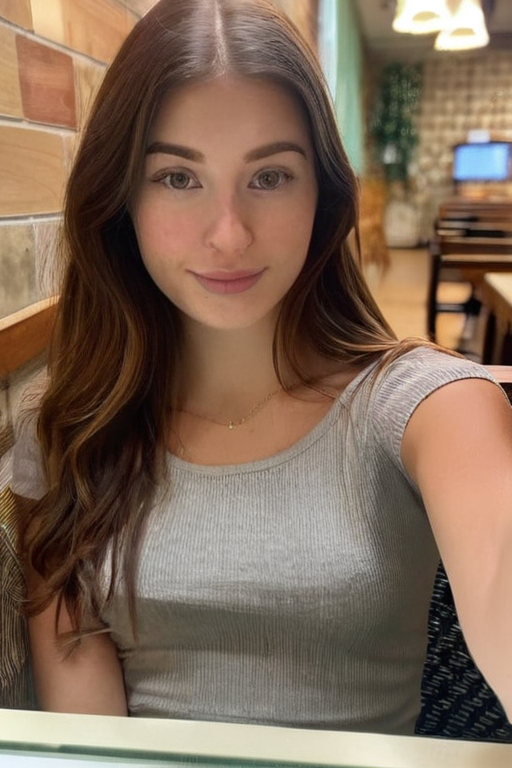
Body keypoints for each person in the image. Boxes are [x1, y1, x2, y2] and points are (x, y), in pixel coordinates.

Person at [11, 0, 512, 736]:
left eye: (270, 176)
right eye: (178, 178)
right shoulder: (68, 424)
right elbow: (88, 727)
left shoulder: (430, 407)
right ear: (120, 199)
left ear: (322, 195)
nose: (229, 234)